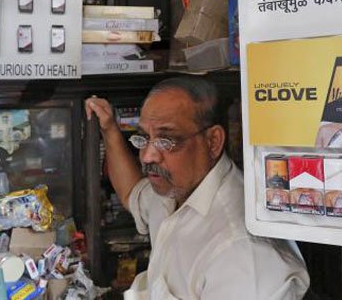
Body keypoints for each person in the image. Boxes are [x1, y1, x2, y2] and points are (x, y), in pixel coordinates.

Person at [86, 76, 310, 299]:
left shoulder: (240, 252)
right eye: (144, 138)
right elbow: (131, 193)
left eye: (167, 140)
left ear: (213, 141)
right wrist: (109, 128)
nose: (147, 156)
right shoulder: (173, 189)